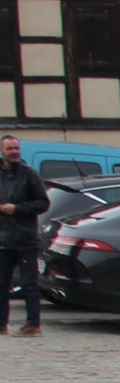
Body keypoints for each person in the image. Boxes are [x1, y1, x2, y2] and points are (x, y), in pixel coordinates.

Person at [0, 135, 45, 336]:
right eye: (10, 149)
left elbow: (43, 203)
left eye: (16, 148)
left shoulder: (29, 174)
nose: (14, 152)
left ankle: (33, 324)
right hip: (3, 240)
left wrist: (16, 208)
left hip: (25, 239)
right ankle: (2, 323)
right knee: (1, 284)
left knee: (29, 284)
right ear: (2, 151)